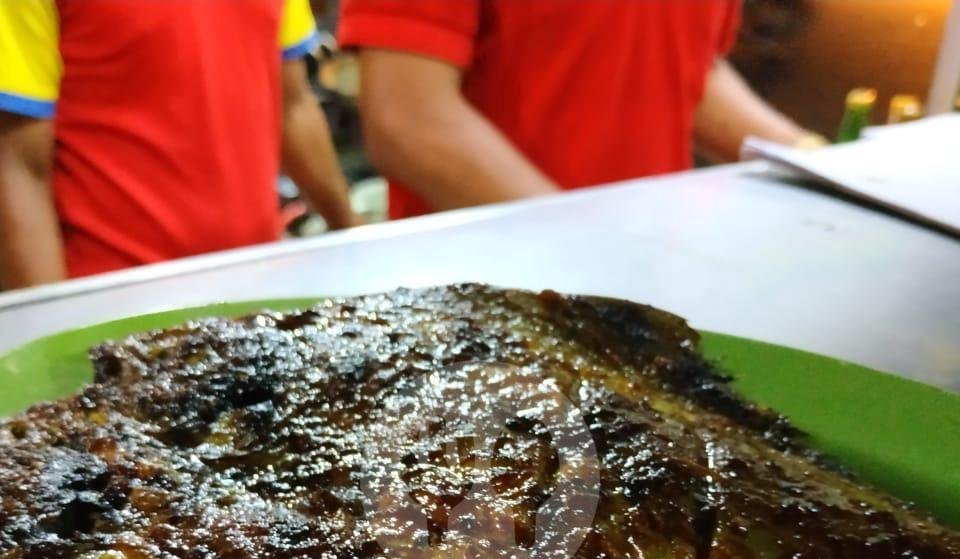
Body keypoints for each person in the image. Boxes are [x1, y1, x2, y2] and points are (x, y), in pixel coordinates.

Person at [338, 0, 824, 219]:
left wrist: (812, 159)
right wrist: (591, 248)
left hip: (646, 278)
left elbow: (681, 62)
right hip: (486, 307)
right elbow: (409, 120)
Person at [0, 0, 360, 289]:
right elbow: (16, 161)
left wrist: (356, 238)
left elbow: (292, 103)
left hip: (255, 294)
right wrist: (50, 345)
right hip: (115, 309)